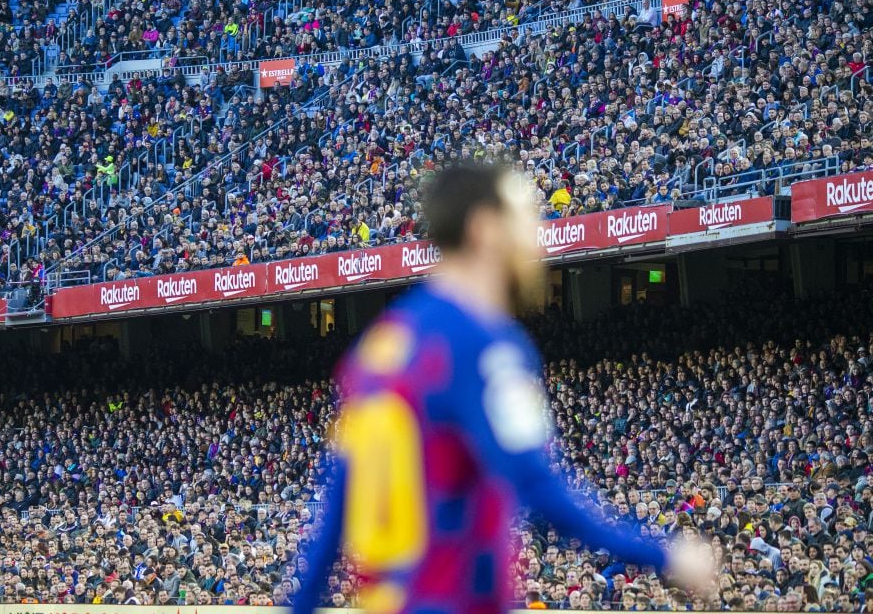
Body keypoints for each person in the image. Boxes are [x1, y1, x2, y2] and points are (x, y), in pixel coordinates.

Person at [292, 165, 716, 614]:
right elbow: (538, 485)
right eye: (525, 219)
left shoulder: (378, 346)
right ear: (485, 229)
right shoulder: (487, 345)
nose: (535, 236)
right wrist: (664, 553)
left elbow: (335, 508)